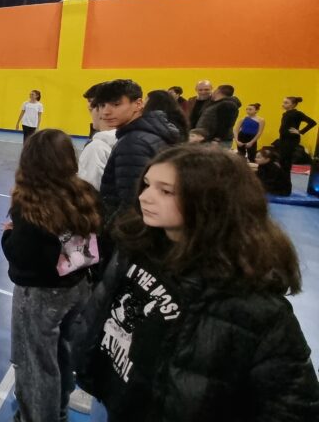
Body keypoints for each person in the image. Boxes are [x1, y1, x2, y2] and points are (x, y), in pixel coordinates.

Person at [73, 145, 319, 421]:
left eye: (165, 191)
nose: (144, 197)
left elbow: (294, 407)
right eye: (147, 184)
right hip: (115, 398)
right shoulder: (138, 246)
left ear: (212, 200)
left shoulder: (256, 309)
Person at [2, 129, 101, 422]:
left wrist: (7, 236)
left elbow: (22, 255)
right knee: (63, 355)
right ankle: (58, 410)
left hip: (41, 295)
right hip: (78, 286)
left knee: (35, 365)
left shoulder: (31, 201)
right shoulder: (85, 192)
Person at [94, 79, 180, 227]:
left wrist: (114, 230)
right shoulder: (150, 133)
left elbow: (131, 200)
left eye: (116, 104)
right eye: (102, 105)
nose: (105, 112)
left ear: (138, 104)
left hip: (130, 230)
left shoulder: (133, 143)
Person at [79, 83, 117, 190]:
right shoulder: (125, 140)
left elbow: (89, 189)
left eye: (91, 103)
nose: (89, 107)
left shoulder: (96, 147)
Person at [276, 97, 316, 176]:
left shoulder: (297, 113)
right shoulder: (285, 113)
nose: (283, 104)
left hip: (291, 140)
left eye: (286, 102)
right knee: (282, 159)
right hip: (283, 139)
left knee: (286, 160)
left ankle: (286, 177)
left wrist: (300, 131)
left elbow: (312, 122)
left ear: (293, 104)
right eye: (283, 102)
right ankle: (282, 177)